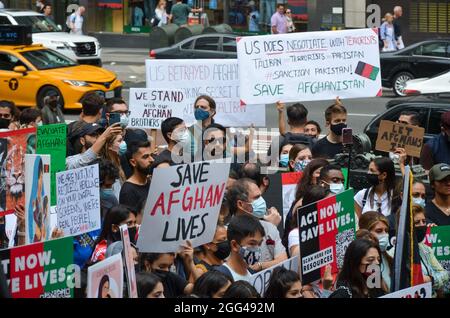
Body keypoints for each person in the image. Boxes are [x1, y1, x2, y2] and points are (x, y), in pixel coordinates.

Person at [227, 178, 287, 270]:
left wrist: (260, 266)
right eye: (256, 198)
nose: (262, 201)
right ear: (240, 204)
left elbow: (283, 261)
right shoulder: (225, 234)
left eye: (260, 196)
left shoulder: (269, 227)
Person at [411, 205, 449, 296]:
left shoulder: (426, 248)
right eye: (417, 222)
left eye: (424, 221)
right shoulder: (397, 253)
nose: (422, 225)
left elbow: (444, 274)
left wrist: (430, 279)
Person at [215, 214, 265, 281]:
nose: (257, 248)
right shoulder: (220, 278)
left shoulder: (254, 275)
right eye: (252, 243)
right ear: (234, 245)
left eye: (260, 243)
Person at [358, 212, 393, 292]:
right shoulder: (364, 264)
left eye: (386, 230)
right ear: (366, 233)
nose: (385, 235)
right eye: (379, 231)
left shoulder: (390, 258)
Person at [119, 141, 153, 211]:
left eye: (151, 155)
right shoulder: (128, 191)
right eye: (145, 157)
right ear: (133, 162)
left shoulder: (149, 181)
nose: (152, 160)